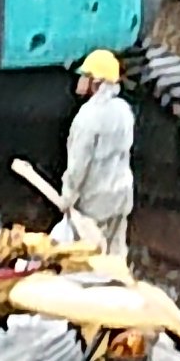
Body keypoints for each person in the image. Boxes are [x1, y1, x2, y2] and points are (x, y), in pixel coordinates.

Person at [57, 49, 136, 264]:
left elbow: (78, 166)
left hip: (95, 201)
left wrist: (68, 196)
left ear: (96, 82)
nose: (80, 80)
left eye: (85, 76)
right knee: (116, 253)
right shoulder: (123, 110)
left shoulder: (87, 118)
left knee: (85, 256)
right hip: (122, 195)